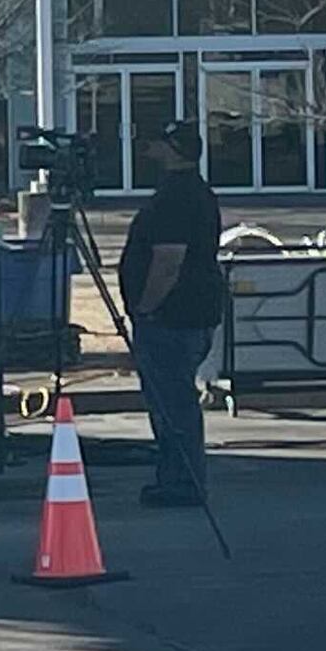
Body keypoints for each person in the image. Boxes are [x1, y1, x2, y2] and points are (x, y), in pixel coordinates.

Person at [115, 121, 224, 507]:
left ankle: (182, 481)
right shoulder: (197, 192)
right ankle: (176, 476)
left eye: (159, 144)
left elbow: (167, 263)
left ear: (172, 149)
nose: (151, 151)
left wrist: (145, 309)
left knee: (172, 403)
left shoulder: (175, 199)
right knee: (175, 399)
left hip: (172, 317)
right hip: (192, 312)